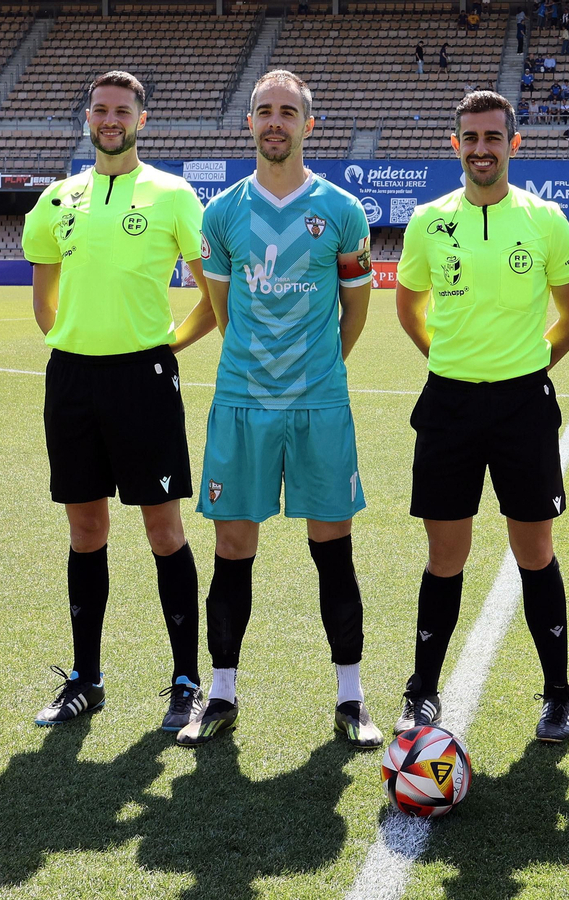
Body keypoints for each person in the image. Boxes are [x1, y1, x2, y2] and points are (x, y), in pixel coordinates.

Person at [179, 70, 382, 749]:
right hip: (242, 403)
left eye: (288, 112)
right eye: (264, 110)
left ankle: (351, 698)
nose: (275, 122)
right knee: (232, 549)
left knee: (333, 549)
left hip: (320, 404)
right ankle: (221, 694)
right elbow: (222, 312)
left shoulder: (342, 211)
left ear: (308, 125)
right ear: (249, 123)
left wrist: (320, 369)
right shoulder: (222, 213)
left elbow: (356, 310)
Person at [394, 91, 569, 742]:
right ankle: (422, 691)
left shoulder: (545, 219)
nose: (482, 149)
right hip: (448, 405)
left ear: (514, 143)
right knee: (445, 554)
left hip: (522, 406)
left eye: (493, 137)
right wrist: (447, 358)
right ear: (456, 145)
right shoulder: (428, 221)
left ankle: (558, 696)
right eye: (471, 138)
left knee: (535, 551)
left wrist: (530, 365)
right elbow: (409, 307)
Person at [21, 71, 216, 730]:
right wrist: (72, 342)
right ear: (88, 118)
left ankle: (186, 681)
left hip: (144, 380)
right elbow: (44, 298)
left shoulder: (173, 195)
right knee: (86, 531)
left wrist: (164, 347)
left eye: (122, 111)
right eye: (100, 109)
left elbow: (212, 297)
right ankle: (86, 680)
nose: (110, 119)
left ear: (142, 119)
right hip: (71, 381)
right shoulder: (57, 198)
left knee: (164, 531)